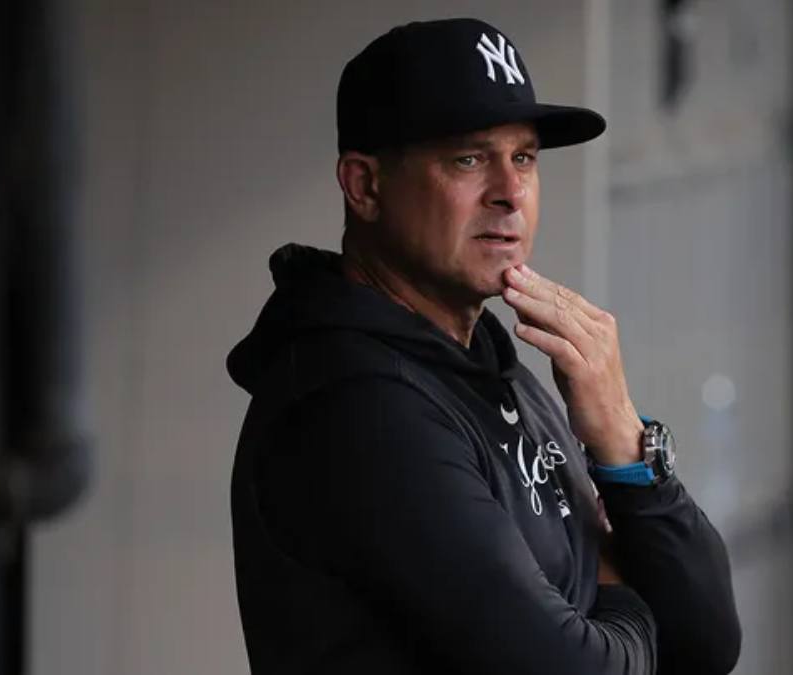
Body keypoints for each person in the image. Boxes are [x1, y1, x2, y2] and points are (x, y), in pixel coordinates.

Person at [227, 18, 740, 675]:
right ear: (365, 185)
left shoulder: (493, 365)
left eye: (523, 156)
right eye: (468, 158)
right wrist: (629, 595)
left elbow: (709, 640)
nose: (509, 191)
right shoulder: (355, 403)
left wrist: (621, 438)